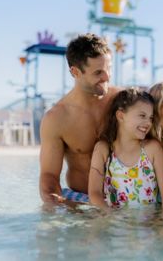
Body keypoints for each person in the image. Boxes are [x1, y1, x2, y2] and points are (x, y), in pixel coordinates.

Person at [39, 33, 120, 204]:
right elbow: (49, 175)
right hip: (82, 202)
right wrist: (53, 204)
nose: (107, 77)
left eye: (109, 69)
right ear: (75, 72)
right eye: (98, 72)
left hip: (124, 200)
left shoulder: (122, 101)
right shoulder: (57, 118)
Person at [88, 87, 163, 209]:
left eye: (150, 118)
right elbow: (94, 193)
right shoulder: (103, 149)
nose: (148, 123)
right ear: (120, 116)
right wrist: (108, 218)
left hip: (147, 224)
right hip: (112, 221)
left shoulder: (152, 149)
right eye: (142, 115)